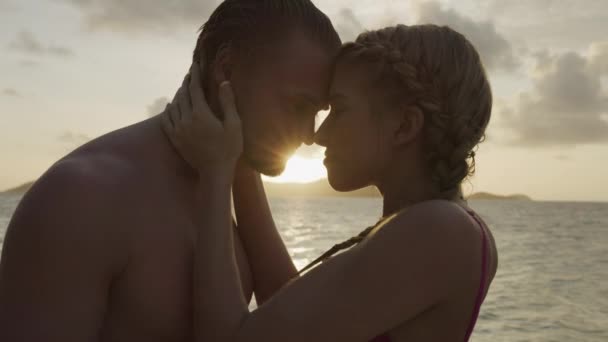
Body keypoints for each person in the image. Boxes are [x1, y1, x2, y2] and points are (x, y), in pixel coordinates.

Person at [0, 1, 340, 341]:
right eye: (299, 106)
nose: (310, 135)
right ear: (226, 70)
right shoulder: (79, 198)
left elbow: (293, 326)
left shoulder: (224, 181)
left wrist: (239, 166)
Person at [163, 24, 499, 341]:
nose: (320, 135)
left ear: (405, 126)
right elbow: (284, 309)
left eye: (339, 110)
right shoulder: (443, 226)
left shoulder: (438, 230)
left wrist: (215, 172)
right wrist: (241, 159)